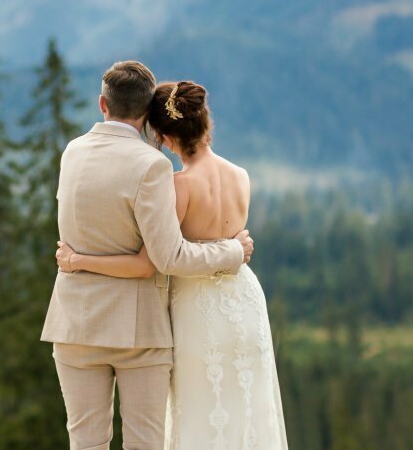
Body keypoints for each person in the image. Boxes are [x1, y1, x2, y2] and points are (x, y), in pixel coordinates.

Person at [56, 79, 288, 449]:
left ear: (164, 135)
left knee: (198, 411)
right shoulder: (241, 176)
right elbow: (228, 239)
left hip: (196, 308)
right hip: (243, 301)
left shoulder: (178, 185)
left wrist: (77, 259)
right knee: (245, 408)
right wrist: (233, 253)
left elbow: (158, 259)